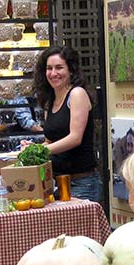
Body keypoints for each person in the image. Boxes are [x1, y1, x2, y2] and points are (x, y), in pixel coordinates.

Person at [30, 46, 100, 202]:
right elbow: (50, 140)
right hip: (55, 183)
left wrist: (40, 151)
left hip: (81, 183)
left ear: (71, 70)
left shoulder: (77, 94)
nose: (53, 73)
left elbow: (75, 138)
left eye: (59, 68)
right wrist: (32, 147)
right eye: (49, 68)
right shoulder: (50, 100)